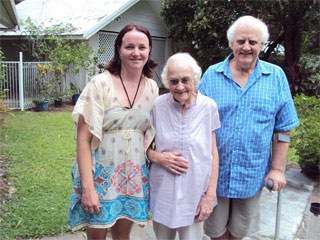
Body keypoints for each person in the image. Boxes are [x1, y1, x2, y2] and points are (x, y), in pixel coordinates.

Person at [199, 16, 300, 240]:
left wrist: (277, 169)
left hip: (252, 175)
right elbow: (196, 123)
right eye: (240, 41)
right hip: (215, 174)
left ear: (262, 45)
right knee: (215, 233)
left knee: (239, 232)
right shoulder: (211, 76)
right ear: (231, 44)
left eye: (253, 42)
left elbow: (283, 129)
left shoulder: (275, 77)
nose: (246, 47)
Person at [68, 23, 159, 240]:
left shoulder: (152, 88)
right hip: (100, 176)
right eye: (129, 47)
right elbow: (83, 139)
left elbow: (150, 136)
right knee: (97, 234)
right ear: (119, 49)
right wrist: (88, 187)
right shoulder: (100, 84)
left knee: (122, 236)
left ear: (149, 51)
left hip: (134, 177)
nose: (136, 52)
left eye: (142, 47)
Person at [147, 52, 220, 240]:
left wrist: (209, 197)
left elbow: (213, 153)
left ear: (195, 79)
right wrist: (158, 157)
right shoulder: (157, 106)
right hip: (164, 192)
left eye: (185, 80)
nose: (180, 87)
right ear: (166, 82)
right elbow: (144, 145)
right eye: (173, 81)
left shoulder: (208, 106)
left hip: (195, 194)